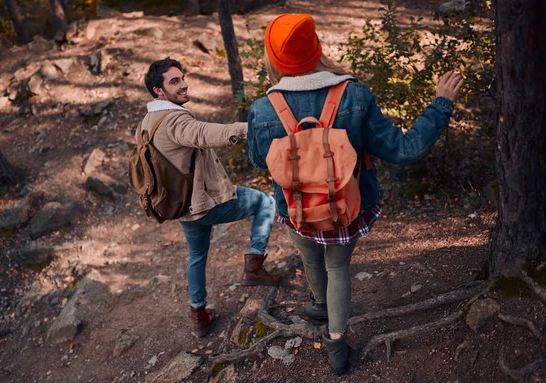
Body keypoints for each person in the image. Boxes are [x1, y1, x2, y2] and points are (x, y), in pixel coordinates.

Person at [247, 14, 463, 374]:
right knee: (338, 265)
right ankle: (336, 344)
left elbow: (259, 160)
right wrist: (440, 104)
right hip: (346, 206)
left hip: (296, 208)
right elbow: (404, 150)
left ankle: (318, 304)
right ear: (316, 49)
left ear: (272, 58)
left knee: (313, 259)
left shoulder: (263, 108)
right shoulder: (353, 95)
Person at [141, 58, 282, 338]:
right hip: (204, 203)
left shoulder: (147, 122)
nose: (183, 84)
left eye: (182, 78)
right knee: (265, 202)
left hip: (181, 206)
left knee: (196, 256)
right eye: (174, 81)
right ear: (158, 91)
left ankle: (199, 315)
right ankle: (254, 266)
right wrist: (250, 128)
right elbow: (205, 133)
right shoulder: (174, 120)